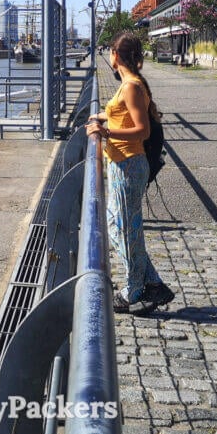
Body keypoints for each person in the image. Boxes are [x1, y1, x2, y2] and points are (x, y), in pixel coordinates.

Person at [87, 32, 174, 315]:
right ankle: (153, 284)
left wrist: (106, 131)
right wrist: (102, 117)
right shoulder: (127, 84)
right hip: (120, 163)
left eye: (111, 51)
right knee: (120, 228)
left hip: (128, 164)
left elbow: (142, 130)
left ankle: (133, 290)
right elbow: (120, 114)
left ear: (115, 54)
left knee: (126, 230)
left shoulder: (132, 87)